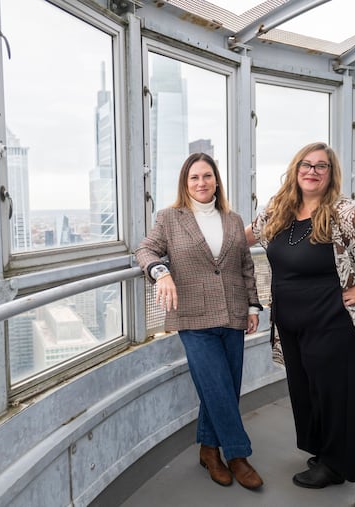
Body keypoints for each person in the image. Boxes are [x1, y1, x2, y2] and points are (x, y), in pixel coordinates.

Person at [245, 141, 355, 489]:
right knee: (308, 391)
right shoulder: (279, 212)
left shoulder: (347, 212)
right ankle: (322, 451)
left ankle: (336, 466)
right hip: (291, 325)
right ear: (295, 170)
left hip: (334, 322)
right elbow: (239, 239)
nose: (312, 171)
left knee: (338, 392)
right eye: (306, 164)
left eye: (321, 166)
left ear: (331, 174)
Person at [135, 152, 264, 490]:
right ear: (185, 183)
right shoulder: (169, 218)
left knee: (224, 386)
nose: (201, 183)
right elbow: (145, 251)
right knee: (218, 385)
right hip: (192, 316)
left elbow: (244, 265)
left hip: (234, 312)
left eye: (207, 176)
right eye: (194, 178)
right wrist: (160, 273)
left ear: (216, 180)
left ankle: (209, 450)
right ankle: (238, 455)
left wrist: (252, 306)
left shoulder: (233, 219)